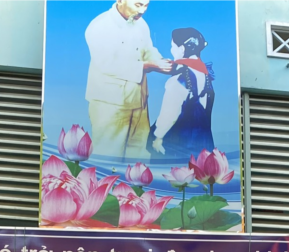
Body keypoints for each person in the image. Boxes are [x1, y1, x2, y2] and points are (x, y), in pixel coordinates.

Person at [84, 0, 173, 160]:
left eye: (146, 5)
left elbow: (148, 50)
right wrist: (148, 65)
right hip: (110, 104)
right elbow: (106, 64)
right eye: (138, 5)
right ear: (120, 1)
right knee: (108, 156)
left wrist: (161, 62)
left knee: (139, 155)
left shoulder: (141, 24)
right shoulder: (100, 26)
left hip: (139, 101)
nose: (143, 10)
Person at [150, 28, 215, 161]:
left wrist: (158, 137)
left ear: (182, 49)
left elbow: (169, 115)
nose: (171, 50)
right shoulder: (205, 75)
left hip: (180, 147)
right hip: (204, 145)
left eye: (172, 46)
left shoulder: (179, 79)